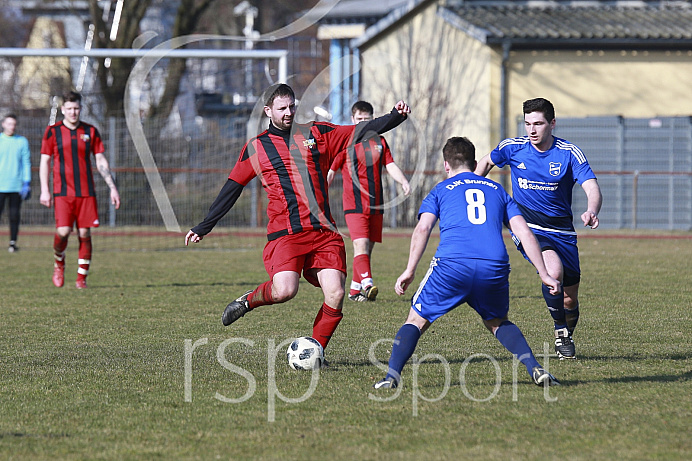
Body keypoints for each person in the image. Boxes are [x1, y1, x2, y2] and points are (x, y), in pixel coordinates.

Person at [185, 84, 410, 353]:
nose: (289, 112)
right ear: (268, 110)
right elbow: (232, 187)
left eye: (292, 106)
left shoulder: (317, 133)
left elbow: (359, 131)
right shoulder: (257, 147)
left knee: (337, 293)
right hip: (286, 234)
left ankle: (316, 352)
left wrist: (395, 116)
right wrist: (204, 225)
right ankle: (248, 301)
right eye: (282, 108)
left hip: (324, 233)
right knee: (285, 291)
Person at [374, 136, 561, 389]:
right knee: (497, 321)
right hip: (493, 266)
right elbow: (525, 233)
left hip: (452, 265)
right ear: (474, 163)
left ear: (446, 165)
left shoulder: (440, 189)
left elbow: (422, 229)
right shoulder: (497, 190)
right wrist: (544, 274)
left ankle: (390, 378)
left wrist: (409, 270)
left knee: (416, 320)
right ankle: (536, 369)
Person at [475, 97, 602, 360]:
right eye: (527, 124)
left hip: (563, 232)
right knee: (552, 272)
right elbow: (486, 162)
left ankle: (566, 328)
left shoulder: (568, 153)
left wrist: (592, 210)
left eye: (539, 123)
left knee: (569, 300)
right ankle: (561, 333)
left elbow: (591, 186)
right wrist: (471, 186)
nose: (532, 130)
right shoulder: (513, 148)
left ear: (552, 123)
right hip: (527, 226)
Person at [326, 101, 411, 302]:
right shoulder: (345, 144)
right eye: (359, 120)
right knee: (361, 246)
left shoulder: (380, 141)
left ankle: (355, 290)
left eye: (367, 119)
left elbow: (390, 165)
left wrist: (403, 181)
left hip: (376, 205)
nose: (363, 123)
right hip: (354, 204)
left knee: (368, 249)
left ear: (373, 119)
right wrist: (319, 196)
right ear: (352, 120)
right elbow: (330, 172)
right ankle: (368, 284)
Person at [39, 91, 121, 289]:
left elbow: (100, 160)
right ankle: (59, 263)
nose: (73, 112)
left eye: (76, 108)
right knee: (64, 231)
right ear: (63, 109)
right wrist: (44, 189)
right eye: (69, 109)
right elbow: (45, 161)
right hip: (62, 192)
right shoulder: (52, 131)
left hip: (86, 192)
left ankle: (81, 278)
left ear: (80, 108)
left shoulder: (91, 131)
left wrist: (112, 187)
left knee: (84, 234)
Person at [0, 114, 31, 252]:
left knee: (14, 215)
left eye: (14, 124)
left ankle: (12, 243)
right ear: (3, 124)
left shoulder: (22, 141)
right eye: (9, 124)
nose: (11, 127)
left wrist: (27, 182)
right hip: (0, 185)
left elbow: (26, 163)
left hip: (16, 186)